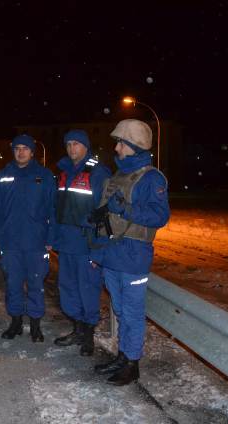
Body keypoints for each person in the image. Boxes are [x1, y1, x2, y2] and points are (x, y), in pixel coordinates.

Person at [89, 119, 170, 385]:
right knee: (120, 310)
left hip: (134, 256)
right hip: (112, 254)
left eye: (121, 143)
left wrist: (126, 209)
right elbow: (104, 218)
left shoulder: (152, 178)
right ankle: (123, 356)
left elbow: (159, 216)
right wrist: (97, 252)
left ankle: (132, 364)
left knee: (132, 313)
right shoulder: (118, 176)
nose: (117, 147)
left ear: (135, 145)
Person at [0, 134, 56, 342]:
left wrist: (51, 237)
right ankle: (16, 322)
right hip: (10, 242)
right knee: (13, 284)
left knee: (36, 284)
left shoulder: (44, 176)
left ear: (32, 152)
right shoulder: (3, 175)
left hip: (36, 241)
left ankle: (35, 325)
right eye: (17, 148)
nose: (20, 152)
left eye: (25, 148)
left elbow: (53, 209)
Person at [53, 129, 111, 356]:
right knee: (68, 288)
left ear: (86, 147)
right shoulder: (64, 172)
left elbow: (104, 214)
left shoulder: (97, 173)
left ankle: (88, 335)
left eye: (76, 144)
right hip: (66, 242)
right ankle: (77, 329)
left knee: (88, 289)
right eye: (68, 144)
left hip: (86, 244)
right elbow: (58, 209)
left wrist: (98, 250)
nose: (71, 148)